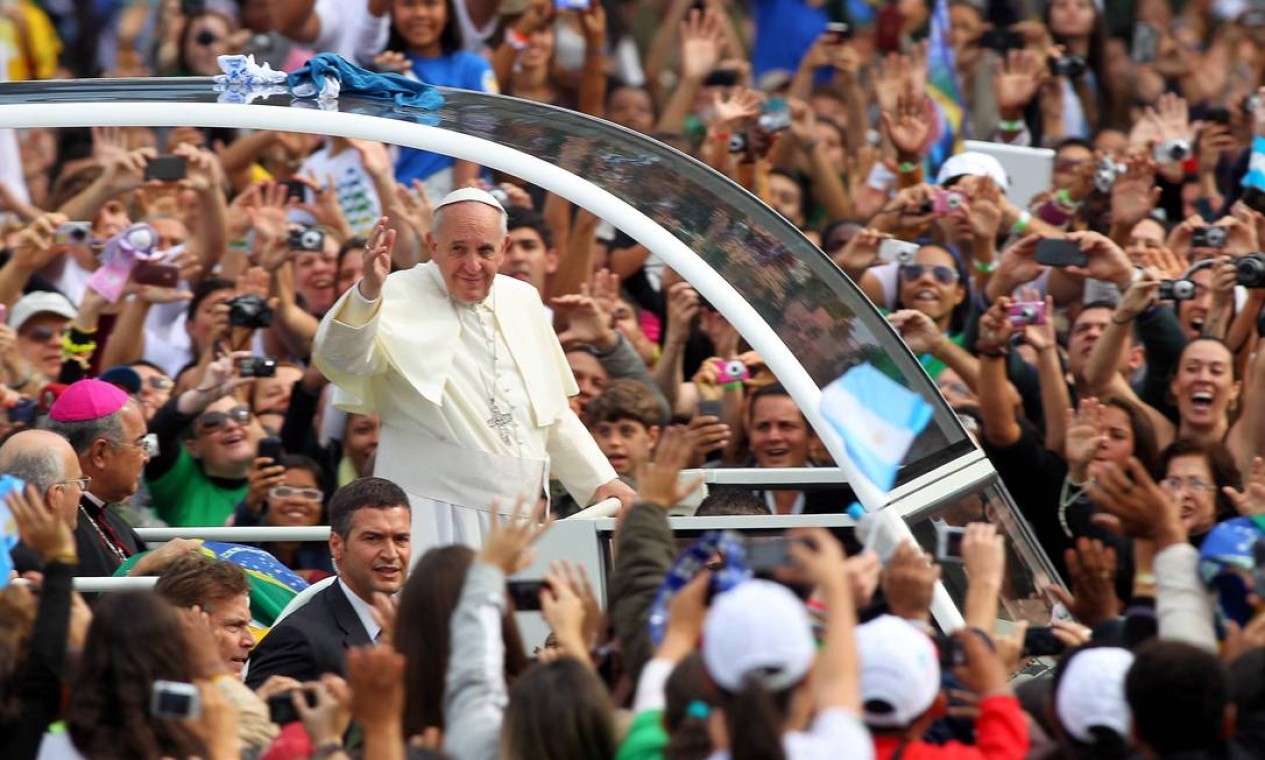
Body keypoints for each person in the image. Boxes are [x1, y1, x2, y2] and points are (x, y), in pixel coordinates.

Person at [313, 190, 632, 555]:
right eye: (458, 249)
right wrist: (368, 293)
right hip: (432, 511)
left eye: (485, 250)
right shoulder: (394, 292)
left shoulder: (523, 299)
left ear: (504, 247)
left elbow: (551, 412)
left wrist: (601, 482)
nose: (472, 265)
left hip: (520, 516)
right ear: (433, 245)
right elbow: (343, 359)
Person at [245, 476, 411, 687]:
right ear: (336, 545)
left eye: (401, 539)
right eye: (373, 538)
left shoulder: (421, 629)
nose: (391, 553)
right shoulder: (296, 639)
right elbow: (256, 719)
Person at [42, 380, 198, 576]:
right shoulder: (53, 529)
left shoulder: (111, 521)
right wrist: (137, 572)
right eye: (140, 443)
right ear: (100, 453)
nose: (146, 457)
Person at [154, 553, 255, 676]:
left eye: (247, 625)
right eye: (234, 626)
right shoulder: (138, 689)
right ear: (185, 626)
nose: (250, 641)